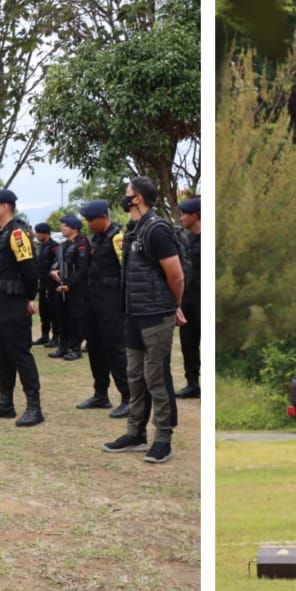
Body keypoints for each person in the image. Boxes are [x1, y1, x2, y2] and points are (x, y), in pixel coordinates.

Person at [103, 177, 185, 465]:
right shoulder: (132, 230)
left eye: (128, 193)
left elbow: (176, 275)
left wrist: (174, 305)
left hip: (155, 315)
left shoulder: (157, 230)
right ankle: (135, 433)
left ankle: (163, 439)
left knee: (156, 377)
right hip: (133, 315)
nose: (125, 196)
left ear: (137, 198)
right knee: (135, 376)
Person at [0, 188, 44, 427]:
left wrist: (27, 298)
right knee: (1, 354)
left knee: (19, 355)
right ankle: (5, 403)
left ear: (5, 206)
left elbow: (30, 271)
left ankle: (34, 407)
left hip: (12, 303)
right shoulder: (0, 233)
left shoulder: (17, 234)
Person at [77, 200, 131, 417]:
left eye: (91, 220)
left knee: (115, 350)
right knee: (95, 348)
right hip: (94, 303)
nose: (88, 224)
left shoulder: (118, 238)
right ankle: (101, 394)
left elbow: (127, 270)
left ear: (103, 217)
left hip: (112, 303)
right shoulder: (97, 238)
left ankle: (128, 397)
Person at [53, 213, 90, 361]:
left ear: (74, 227)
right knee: (62, 317)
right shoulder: (64, 245)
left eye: (65, 225)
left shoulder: (82, 244)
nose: (61, 227)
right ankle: (63, 346)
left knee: (76, 319)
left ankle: (75, 348)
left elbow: (82, 268)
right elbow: (58, 263)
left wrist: (69, 285)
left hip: (77, 289)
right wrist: (53, 271)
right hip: (62, 287)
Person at [175, 197, 201, 399]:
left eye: (184, 214)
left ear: (195, 216)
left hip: (202, 299)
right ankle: (192, 383)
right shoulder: (186, 239)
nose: (181, 218)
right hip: (187, 299)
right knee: (188, 343)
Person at [32, 222, 59, 348]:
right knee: (43, 311)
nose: (37, 235)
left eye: (38, 233)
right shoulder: (42, 246)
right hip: (42, 283)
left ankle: (56, 337)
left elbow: (58, 262)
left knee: (53, 311)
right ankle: (44, 335)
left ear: (45, 233)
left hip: (52, 283)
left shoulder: (54, 246)